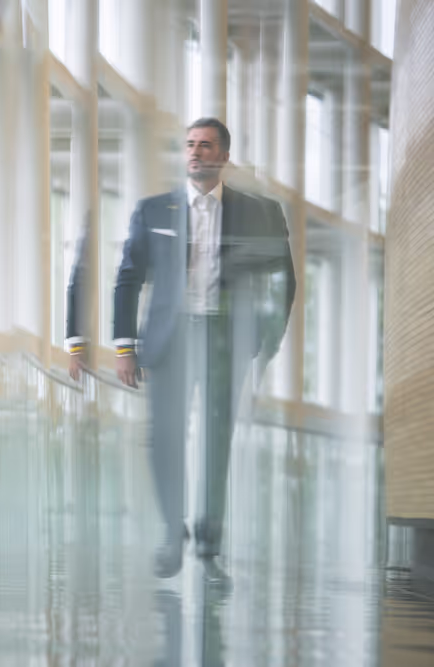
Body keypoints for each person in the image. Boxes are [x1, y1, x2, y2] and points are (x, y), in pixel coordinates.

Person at [67, 118, 295, 587]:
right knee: (163, 439)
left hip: (223, 340)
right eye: (190, 145)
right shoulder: (154, 210)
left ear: (224, 156)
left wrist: (264, 341)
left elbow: (284, 281)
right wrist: (125, 348)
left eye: (206, 146)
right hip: (169, 344)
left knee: (216, 442)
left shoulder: (260, 212)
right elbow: (128, 278)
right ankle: (173, 532)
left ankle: (209, 545)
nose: (196, 153)